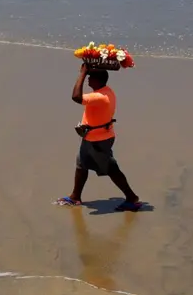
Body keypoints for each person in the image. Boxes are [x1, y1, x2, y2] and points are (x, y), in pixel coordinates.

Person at [56, 62, 142, 210]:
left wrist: (82, 73)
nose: (88, 79)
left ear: (98, 80)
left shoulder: (100, 96)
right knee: (81, 165)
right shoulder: (107, 91)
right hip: (92, 137)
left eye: (91, 77)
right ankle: (75, 196)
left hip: (99, 141)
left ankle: (132, 198)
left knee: (111, 169)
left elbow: (76, 96)